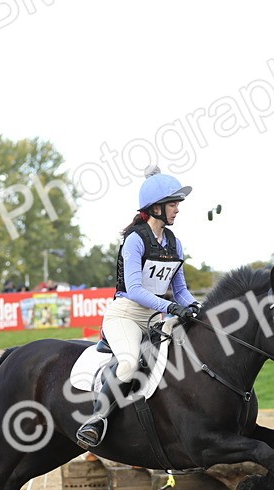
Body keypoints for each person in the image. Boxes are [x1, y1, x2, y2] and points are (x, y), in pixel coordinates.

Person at [75, 166, 200, 448]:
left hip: (157, 315)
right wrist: (171, 308)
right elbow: (134, 290)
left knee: (186, 353)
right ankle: (97, 419)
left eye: (177, 204)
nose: (178, 209)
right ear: (156, 208)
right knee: (130, 361)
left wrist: (195, 307)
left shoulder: (175, 244)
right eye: (173, 204)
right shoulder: (135, 240)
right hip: (126, 315)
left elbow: (180, 290)